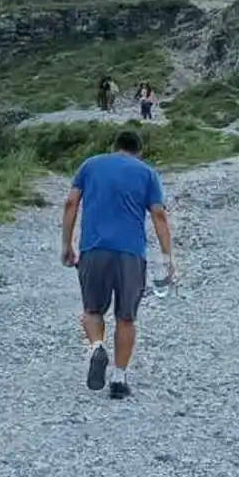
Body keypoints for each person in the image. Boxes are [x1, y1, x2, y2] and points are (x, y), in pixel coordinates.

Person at [61, 129, 175, 399]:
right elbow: (158, 214)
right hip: (131, 253)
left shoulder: (90, 165)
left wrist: (67, 244)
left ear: (114, 147)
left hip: (94, 249)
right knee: (126, 317)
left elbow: (70, 203)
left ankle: (97, 346)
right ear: (139, 151)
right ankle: (119, 379)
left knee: (92, 309)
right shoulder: (147, 173)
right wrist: (168, 257)